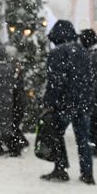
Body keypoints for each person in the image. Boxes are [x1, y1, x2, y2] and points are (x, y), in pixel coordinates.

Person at [40, 20, 95, 185]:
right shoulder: (84, 52)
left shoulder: (57, 53)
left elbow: (55, 81)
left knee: (56, 134)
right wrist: (88, 100)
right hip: (82, 103)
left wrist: (49, 101)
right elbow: (90, 80)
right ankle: (87, 174)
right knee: (83, 140)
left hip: (64, 103)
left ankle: (61, 169)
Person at [79, 28, 97, 156]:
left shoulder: (91, 55)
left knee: (93, 120)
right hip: (92, 94)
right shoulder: (90, 54)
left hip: (93, 94)